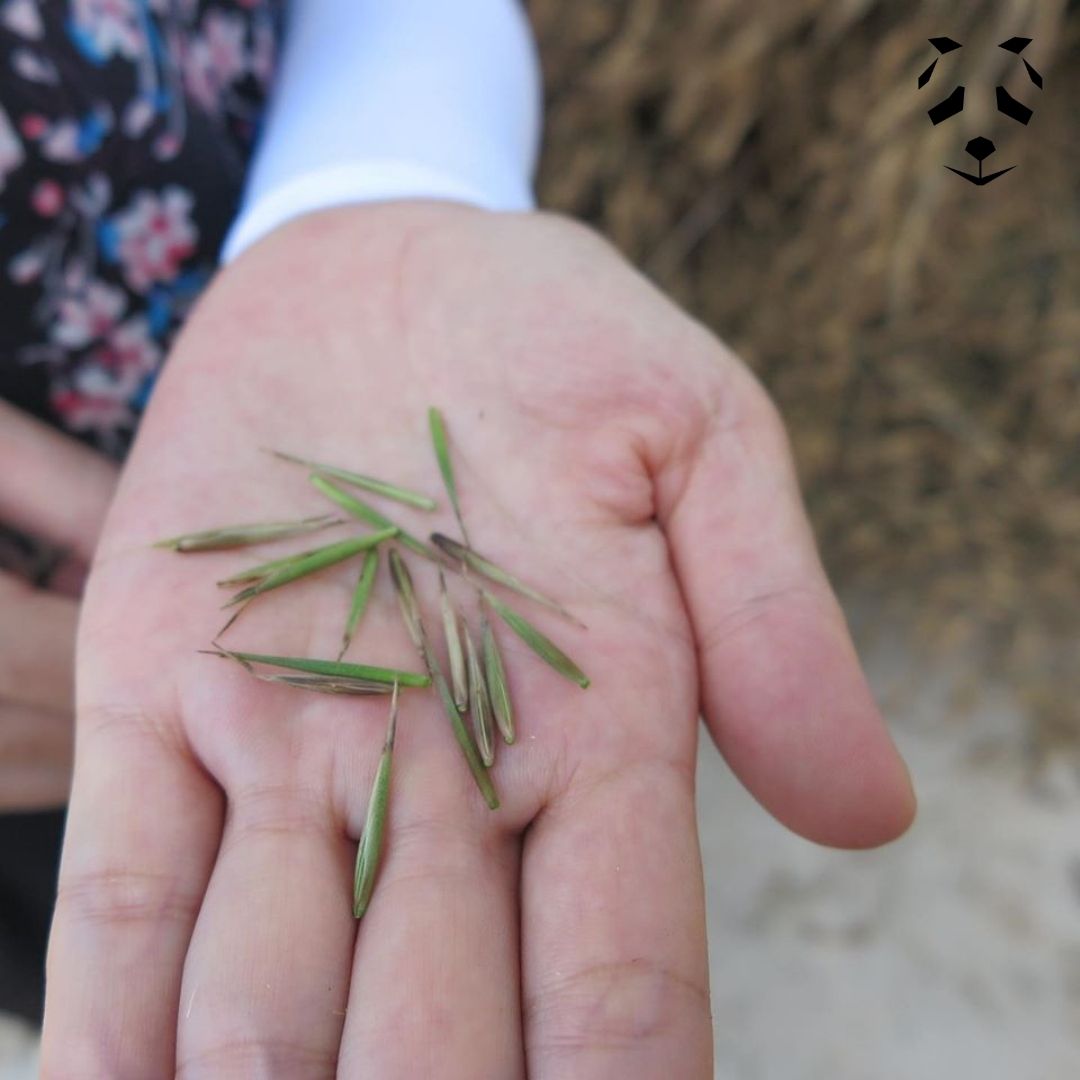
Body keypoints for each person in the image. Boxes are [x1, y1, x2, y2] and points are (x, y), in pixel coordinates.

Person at [0, 1, 915, 1075]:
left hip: (302, 319)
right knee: (157, 956)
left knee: (504, 918)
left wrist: (387, 174)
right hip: (52, 725)